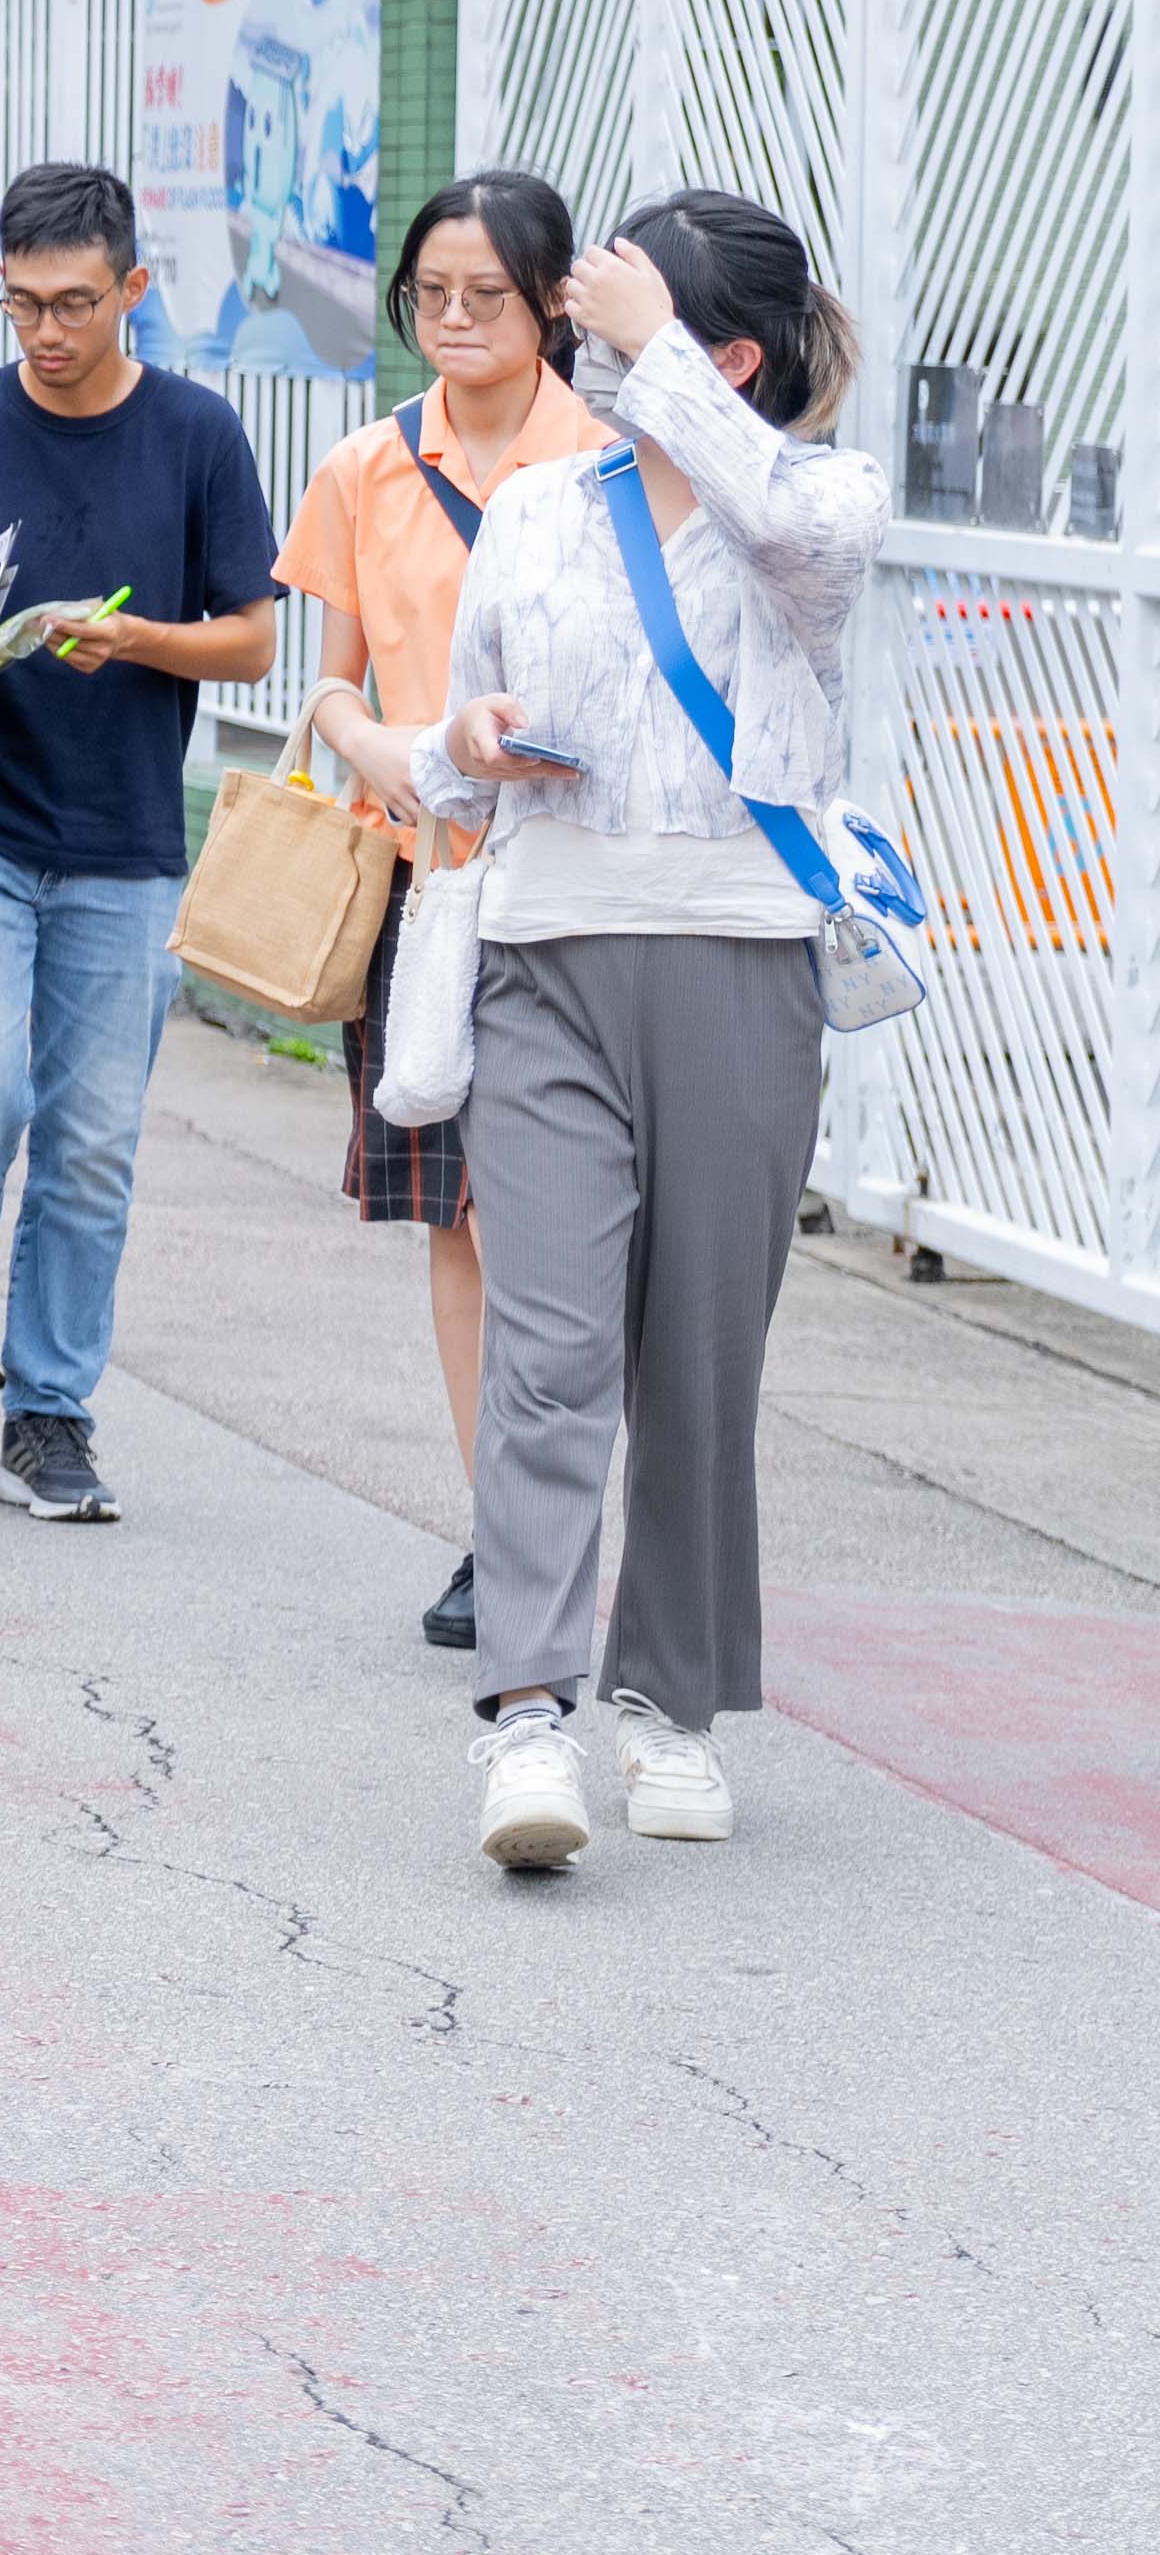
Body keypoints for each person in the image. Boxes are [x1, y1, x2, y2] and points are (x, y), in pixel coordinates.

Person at [418, 194, 882, 1875]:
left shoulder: (817, 505)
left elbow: (784, 514)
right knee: (547, 1354)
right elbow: (454, 742)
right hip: (545, 956)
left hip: (740, 963)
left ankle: (670, 1705)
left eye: (623, 314)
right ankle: (529, 1710)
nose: (586, 339)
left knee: (698, 1361)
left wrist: (663, 355)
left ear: (726, 358)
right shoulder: (537, 508)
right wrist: (469, 739)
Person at [0, 161, 280, 1523]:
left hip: (125, 837)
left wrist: (141, 638)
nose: (47, 330)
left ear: (132, 288)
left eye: (76, 303)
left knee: (92, 1142)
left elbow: (254, 638)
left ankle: (49, 1412)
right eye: (23, 303)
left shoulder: (198, 435)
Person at [284, 172, 601, 1651]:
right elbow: (330, 683)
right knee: (460, 1220)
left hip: (582, 883)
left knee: (570, 1223)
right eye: (432, 294)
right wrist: (391, 752)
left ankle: (569, 1522)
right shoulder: (365, 466)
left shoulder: (613, 464)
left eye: (489, 294)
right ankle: (504, 1537)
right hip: (426, 888)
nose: (455, 318)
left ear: (554, 306)